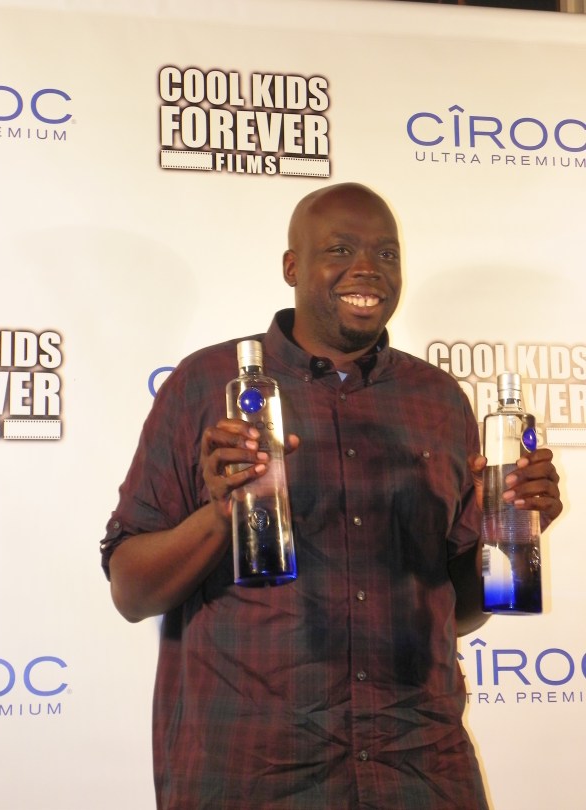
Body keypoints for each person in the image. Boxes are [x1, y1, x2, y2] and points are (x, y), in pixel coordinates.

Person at [100, 183, 562, 810]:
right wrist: (221, 514)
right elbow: (131, 592)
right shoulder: (205, 386)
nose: (368, 268)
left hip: (418, 764)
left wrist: (507, 533)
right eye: (341, 249)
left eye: (387, 254)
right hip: (251, 770)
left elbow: (452, 612)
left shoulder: (439, 400)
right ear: (292, 267)